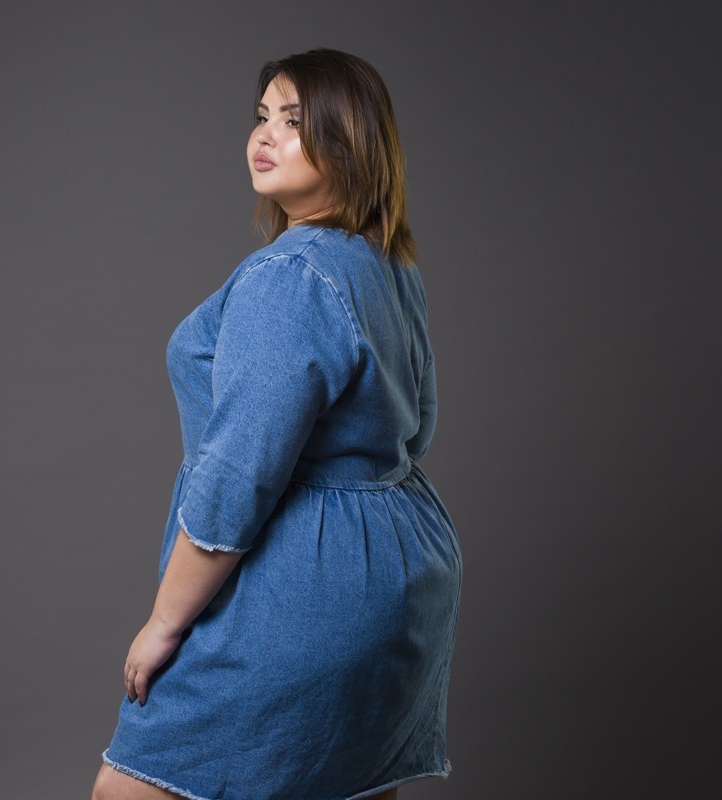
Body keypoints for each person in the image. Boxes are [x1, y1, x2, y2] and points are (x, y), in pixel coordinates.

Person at [91, 48, 463, 800]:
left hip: (302, 588)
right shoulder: (390, 265)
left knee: (129, 793)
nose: (266, 135)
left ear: (349, 140)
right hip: (403, 578)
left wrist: (164, 625)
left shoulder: (288, 276)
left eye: (294, 122)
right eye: (262, 116)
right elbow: (416, 431)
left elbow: (236, 478)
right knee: (349, 784)